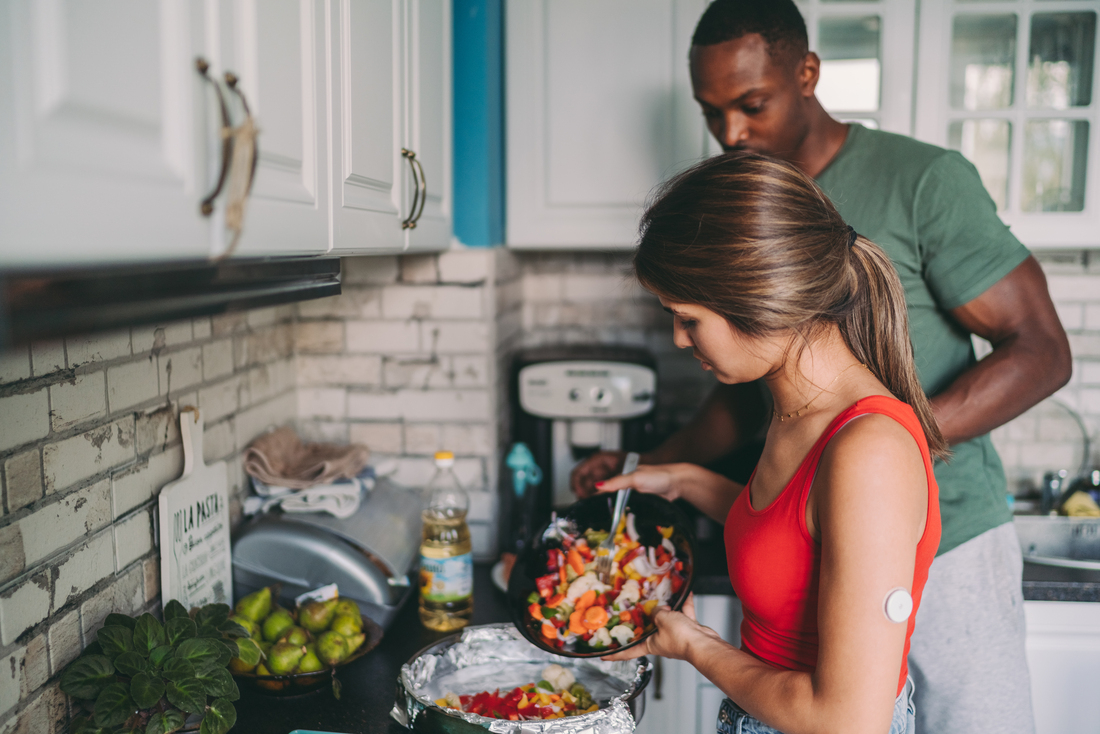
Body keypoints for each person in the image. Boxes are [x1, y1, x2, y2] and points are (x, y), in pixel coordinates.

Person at [576, 2, 1072, 733]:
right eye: (714, 114)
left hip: (953, 529)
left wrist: (874, 455)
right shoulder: (791, 403)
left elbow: (1043, 350)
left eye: (689, 320)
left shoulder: (922, 181)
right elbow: (783, 516)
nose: (732, 134)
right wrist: (673, 472)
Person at [603, 150, 940, 734]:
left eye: (687, 318)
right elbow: (793, 530)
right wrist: (683, 479)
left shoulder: (870, 453)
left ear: (755, 300)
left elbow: (847, 720)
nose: (680, 340)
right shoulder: (796, 409)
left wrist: (695, 646)